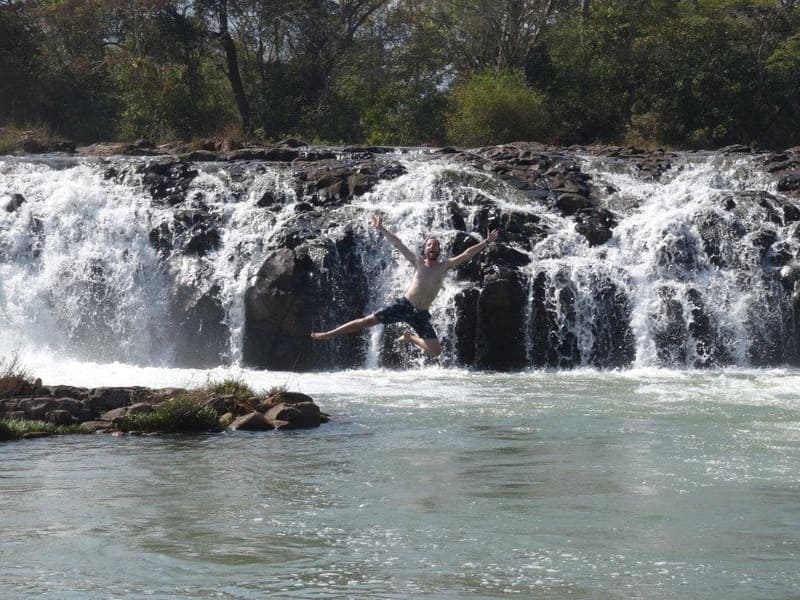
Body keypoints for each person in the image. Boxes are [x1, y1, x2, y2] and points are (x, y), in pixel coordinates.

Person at [310, 215, 499, 357]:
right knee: (367, 322)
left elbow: (466, 254)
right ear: (425, 249)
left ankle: (410, 338)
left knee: (435, 352)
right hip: (404, 305)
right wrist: (381, 228)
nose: (432, 247)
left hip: (421, 314)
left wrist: (486, 242)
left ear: (439, 250)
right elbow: (398, 244)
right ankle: (329, 334)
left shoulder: (445, 265)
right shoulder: (417, 262)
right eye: (429, 245)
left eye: (435, 245)